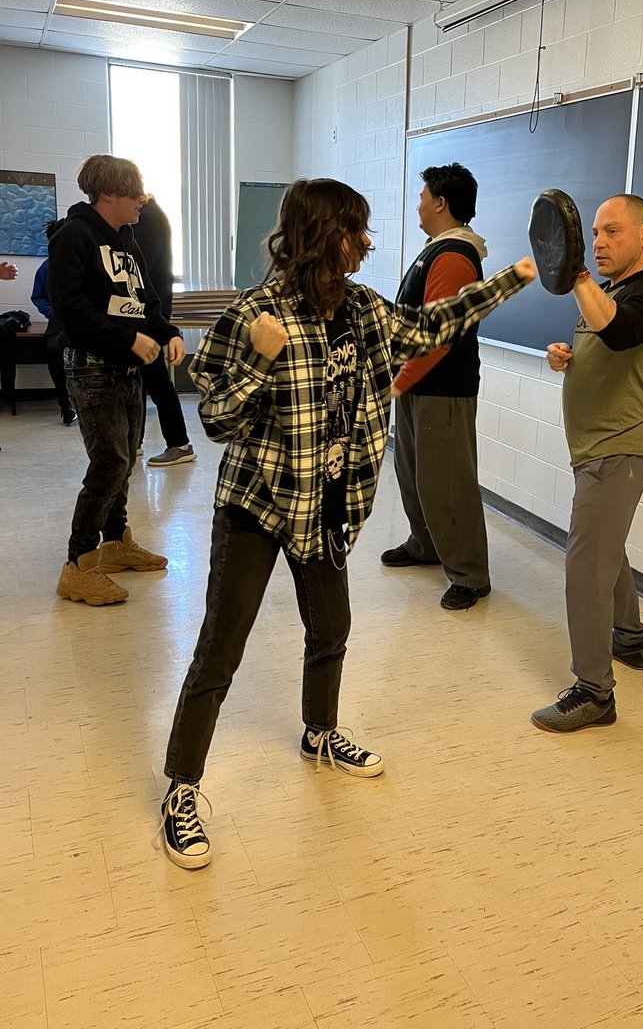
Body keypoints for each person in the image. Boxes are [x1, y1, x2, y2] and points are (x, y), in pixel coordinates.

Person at [157, 177, 535, 870]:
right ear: (322, 237)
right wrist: (262, 359)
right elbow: (215, 420)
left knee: (331, 629)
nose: (367, 243)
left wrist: (510, 280)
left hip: (328, 505)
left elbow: (431, 327)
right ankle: (181, 787)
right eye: (355, 230)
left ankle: (319, 733)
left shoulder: (363, 310)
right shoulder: (253, 315)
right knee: (220, 648)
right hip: (258, 505)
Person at [531, 194, 643, 733]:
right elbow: (604, 349)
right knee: (605, 550)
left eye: (612, 231)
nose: (597, 242)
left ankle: (594, 693)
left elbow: (619, 332)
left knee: (586, 564)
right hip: (595, 448)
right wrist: (564, 357)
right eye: (593, 233)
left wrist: (576, 274)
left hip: (618, 449)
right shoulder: (610, 291)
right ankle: (630, 640)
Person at [49, 155, 185, 607]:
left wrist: (168, 333)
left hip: (125, 371)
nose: (142, 199)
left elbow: (144, 302)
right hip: (91, 370)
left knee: (124, 463)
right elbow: (71, 311)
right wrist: (128, 340)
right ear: (107, 194)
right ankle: (78, 564)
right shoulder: (74, 236)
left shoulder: (126, 240)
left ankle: (116, 542)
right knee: (108, 464)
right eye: (134, 192)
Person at [380, 163, 492, 611]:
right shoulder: (437, 249)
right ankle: (425, 544)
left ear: (441, 202)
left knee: (446, 482)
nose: (419, 205)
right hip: (418, 386)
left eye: (423, 197)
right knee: (413, 473)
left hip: (442, 389)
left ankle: (470, 575)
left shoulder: (454, 255)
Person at [129, 195, 196, 466]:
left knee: (154, 377)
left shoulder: (145, 218)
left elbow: (141, 273)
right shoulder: (151, 215)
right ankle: (137, 441)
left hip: (148, 313)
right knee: (145, 376)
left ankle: (179, 443)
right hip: (150, 310)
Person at [31, 222, 77, 425]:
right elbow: (38, 296)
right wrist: (50, 312)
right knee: (54, 351)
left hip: (86, 320)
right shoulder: (46, 267)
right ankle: (65, 405)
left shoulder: (86, 261)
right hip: (58, 322)